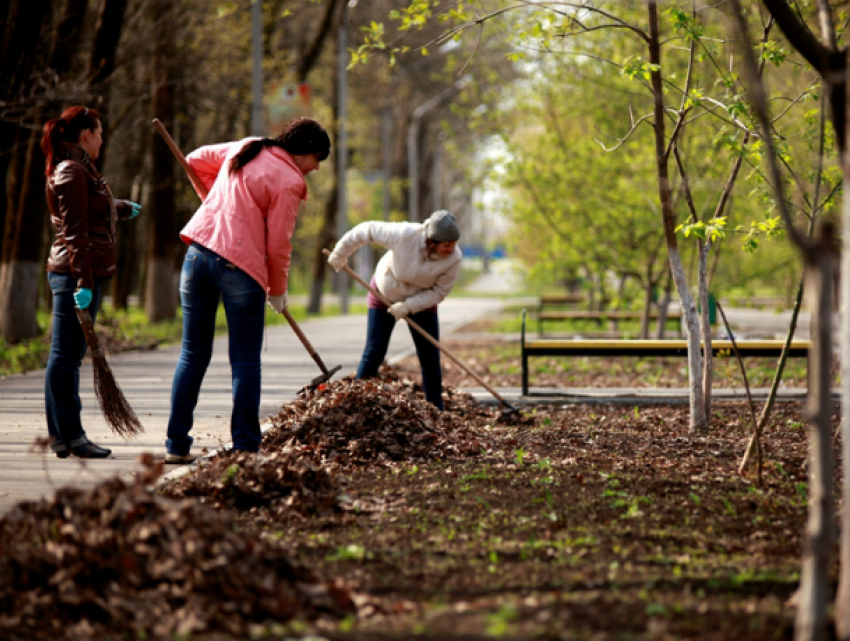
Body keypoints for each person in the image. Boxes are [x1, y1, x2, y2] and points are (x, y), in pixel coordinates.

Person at [165, 117, 331, 464]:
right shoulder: (289, 180)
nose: (314, 170)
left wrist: (214, 201)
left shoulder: (247, 146)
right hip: (239, 267)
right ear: (308, 153)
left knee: (192, 355)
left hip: (197, 254)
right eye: (317, 161)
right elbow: (278, 244)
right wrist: (278, 290)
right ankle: (245, 447)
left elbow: (195, 159)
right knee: (244, 360)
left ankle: (176, 445)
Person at [42, 106, 142, 459]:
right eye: (99, 133)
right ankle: (70, 435)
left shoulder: (78, 168)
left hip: (82, 271)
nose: (102, 139)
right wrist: (82, 281)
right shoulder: (71, 170)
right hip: (74, 273)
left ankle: (65, 436)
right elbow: (74, 231)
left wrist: (118, 207)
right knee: (66, 357)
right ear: (86, 134)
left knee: (69, 356)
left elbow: (85, 210)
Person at [327, 210, 462, 410]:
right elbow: (367, 230)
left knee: (430, 356)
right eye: (446, 245)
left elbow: (439, 292)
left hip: (421, 302)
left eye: (454, 244)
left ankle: (436, 408)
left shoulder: (453, 259)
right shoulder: (405, 234)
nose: (451, 249)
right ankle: (354, 403)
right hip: (384, 294)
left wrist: (408, 306)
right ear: (432, 240)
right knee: (374, 351)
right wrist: (340, 253)